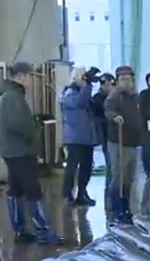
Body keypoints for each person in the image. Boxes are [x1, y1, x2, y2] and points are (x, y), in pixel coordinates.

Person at [0, 61, 64, 244]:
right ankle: (43, 230)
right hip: (19, 150)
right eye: (29, 76)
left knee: (16, 190)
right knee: (33, 190)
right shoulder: (12, 97)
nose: (32, 81)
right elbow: (15, 124)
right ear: (20, 76)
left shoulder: (12, 95)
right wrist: (31, 135)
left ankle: (20, 230)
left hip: (14, 150)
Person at [104, 65, 144, 224]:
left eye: (128, 79)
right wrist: (115, 117)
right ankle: (116, 209)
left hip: (133, 143)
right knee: (118, 177)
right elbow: (108, 110)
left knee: (129, 178)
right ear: (118, 81)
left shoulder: (136, 97)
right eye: (122, 79)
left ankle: (126, 207)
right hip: (118, 142)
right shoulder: (114, 96)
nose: (126, 82)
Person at [60, 66, 98, 206]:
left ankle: (82, 193)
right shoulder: (69, 92)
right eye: (82, 76)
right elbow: (80, 102)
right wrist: (86, 86)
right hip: (74, 137)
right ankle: (67, 195)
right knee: (72, 167)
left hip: (87, 136)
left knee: (86, 167)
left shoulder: (83, 91)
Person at [90, 73, 116, 202]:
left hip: (117, 134)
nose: (107, 87)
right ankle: (110, 190)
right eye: (105, 84)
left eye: (110, 84)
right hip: (106, 135)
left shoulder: (117, 97)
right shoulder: (97, 98)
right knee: (111, 163)